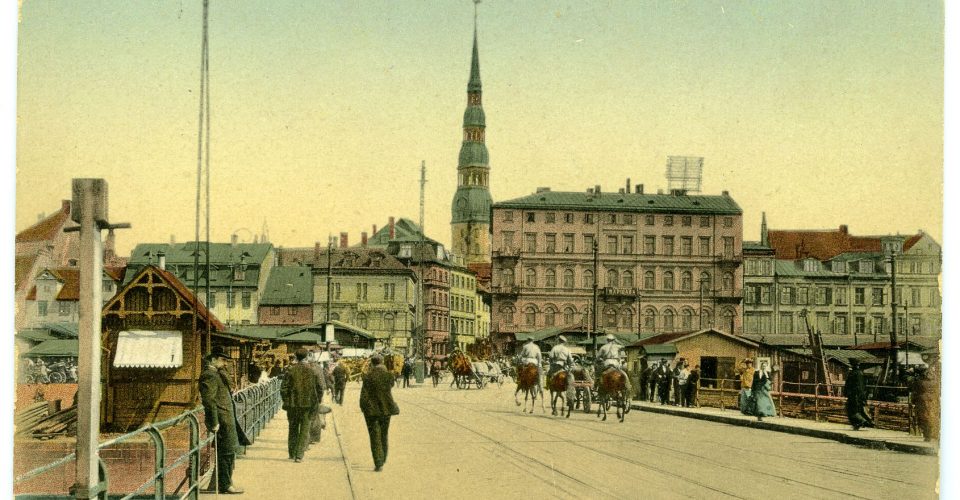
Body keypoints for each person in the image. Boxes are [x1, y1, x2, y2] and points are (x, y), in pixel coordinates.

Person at [198, 346, 250, 494]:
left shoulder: (217, 373)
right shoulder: (209, 375)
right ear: (213, 359)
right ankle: (226, 485)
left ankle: (221, 484)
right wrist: (214, 422)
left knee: (227, 452)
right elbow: (209, 401)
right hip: (221, 420)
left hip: (226, 418)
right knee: (226, 453)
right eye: (223, 360)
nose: (225, 363)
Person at [281, 349, 324, 462]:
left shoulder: (290, 370)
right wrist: (318, 400)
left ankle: (292, 453)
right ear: (306, 357)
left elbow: (283, 389)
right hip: (309, 405)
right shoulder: (313, 370)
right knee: (305, 430)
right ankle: (299, 455)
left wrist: (287, 400)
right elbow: (320, 388)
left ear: (296, 357)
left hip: (293, 405)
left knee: (293, 429)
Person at [360, 355, 400, 471]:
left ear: (372, 363)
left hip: (371, 411)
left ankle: (378, 462)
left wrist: (363, 407)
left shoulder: (367, 376)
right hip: (386, 409)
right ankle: (383, 457)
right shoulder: (388, 375)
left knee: (374, 436)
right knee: (384, 433)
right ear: (382, 362)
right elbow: (391, 385)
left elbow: (364, 395)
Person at [844, 359, 875, 430]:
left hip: (855, 395)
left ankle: (863, 422)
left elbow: (853, 385)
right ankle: (863, 422)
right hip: (859, 395)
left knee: (852, 410)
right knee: (859, 409)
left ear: (853, 365)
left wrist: (848, 393)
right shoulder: (860, 373)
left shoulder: (854, 373)